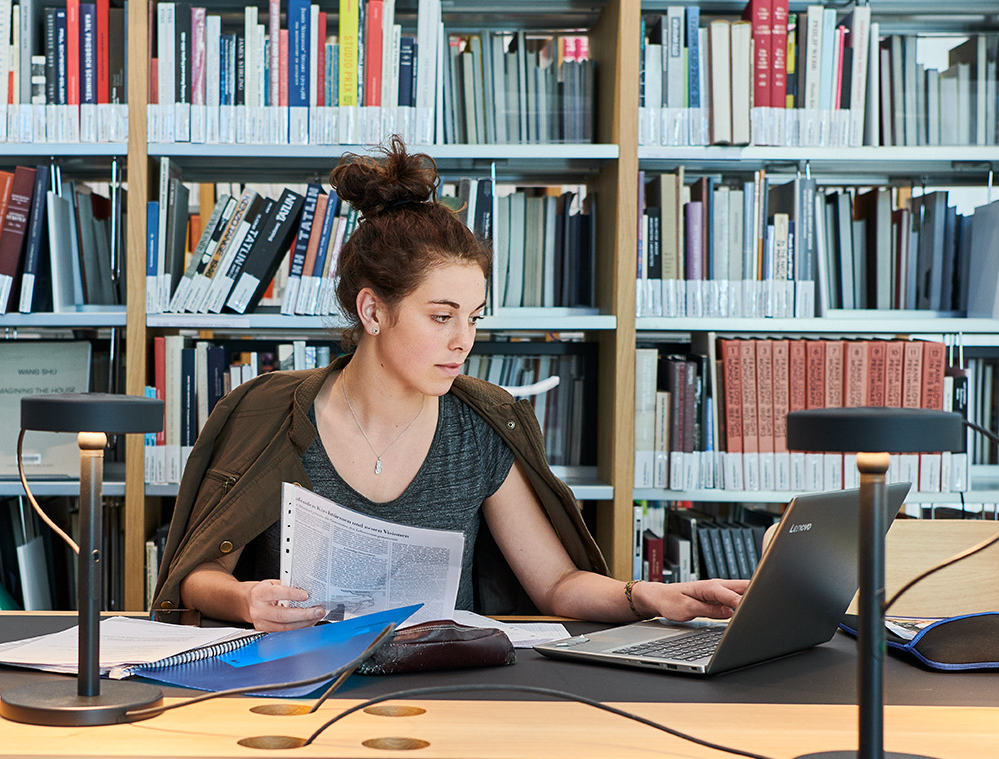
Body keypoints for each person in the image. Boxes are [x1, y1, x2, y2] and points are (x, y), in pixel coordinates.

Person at [152, 137, 748, 630]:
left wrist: (649, 595)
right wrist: (245, 601)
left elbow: (558, 585)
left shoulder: (481, 428)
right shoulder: (266, 412)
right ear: (373, 311)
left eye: (474, 316)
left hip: (443, 696)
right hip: (289, 686)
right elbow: (198, 575)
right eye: (441, 317)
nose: (463, 339)